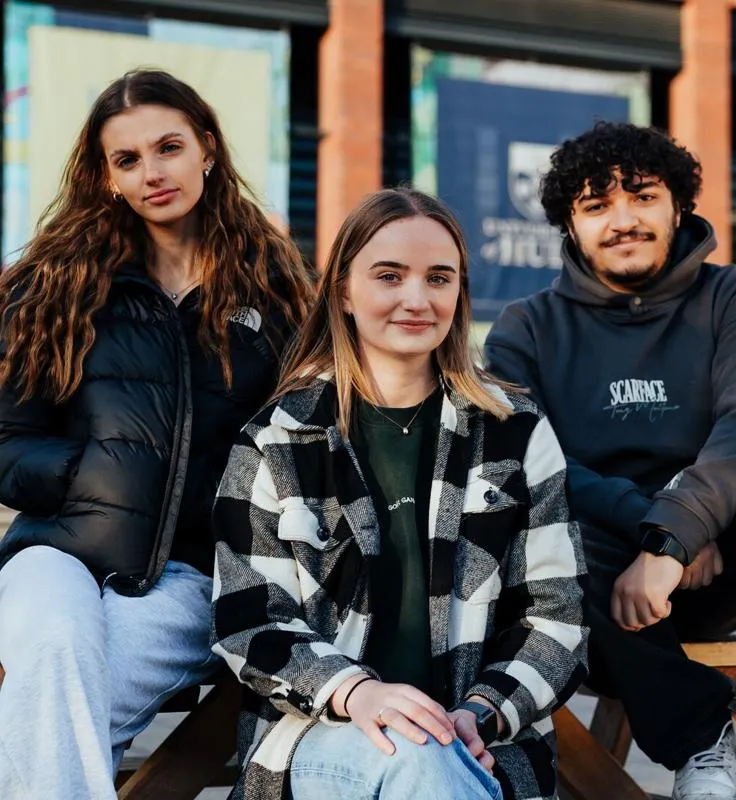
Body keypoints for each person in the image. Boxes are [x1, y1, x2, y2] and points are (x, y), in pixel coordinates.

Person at [211, 187, 588, 800]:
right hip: (317, 741)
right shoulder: (279, 438)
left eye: (439, 278)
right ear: (342, 291)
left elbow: (555, 615)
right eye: (390, 276)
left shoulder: (515, 429)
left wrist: (480, 714)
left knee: (433, 758)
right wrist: (360, 694)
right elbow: (249, 621)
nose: (417, 299)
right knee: (417, 757)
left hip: (486, 744)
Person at [0, 69, 314, 799]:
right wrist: (89, 479)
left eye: (168, 147)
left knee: (51, 711)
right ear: (107, 178)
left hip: (192, 576)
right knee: (49, 654)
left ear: (207, 148)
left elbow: (299, 443)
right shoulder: (54, 284)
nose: (152, 173)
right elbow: (6, 439)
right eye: (128, 160)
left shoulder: (274, 292)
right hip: (56, 551)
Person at [484, 121, 736, 800]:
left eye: (642, 197)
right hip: (601, 578)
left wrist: (684, 533)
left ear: (678, 205)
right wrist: (657, 530)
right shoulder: (524, 328)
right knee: (537, 521)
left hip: (729, 554)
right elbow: (534, 460)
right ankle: (704, 742)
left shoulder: (734, 296)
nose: (623, 221)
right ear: (568, 223)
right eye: (597, 206)